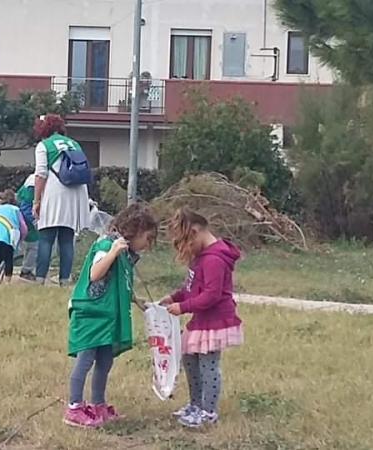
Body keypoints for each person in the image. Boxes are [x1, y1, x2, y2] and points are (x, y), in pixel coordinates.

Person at [64, 203, 159, 428]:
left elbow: (119, 282)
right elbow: (96, 274)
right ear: (133, 231)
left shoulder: (126, 254)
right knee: (85, 359)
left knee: (105, 361)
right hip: (91, 314)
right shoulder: (106, 245)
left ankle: (98, 404)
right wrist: (113, 252)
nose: (148, 244)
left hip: (107, 316)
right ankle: (74, 407)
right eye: (147, 237)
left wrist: (135, 300)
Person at [160, 207, 244, 428]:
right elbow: (192, 287)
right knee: (190, 361)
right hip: (200, 320)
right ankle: (195, 404)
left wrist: (183, 306)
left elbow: (211, 295)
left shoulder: (214, 260)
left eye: (186, 242)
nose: (186, 249)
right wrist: (173, 297)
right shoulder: (201, 258)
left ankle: (208, 411)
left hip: (214, 321)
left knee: (208, 366)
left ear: (196, 232)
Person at [33, 114, 90, 287]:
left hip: (54, 192)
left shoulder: (44, 145)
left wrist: (37, 201)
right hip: (76, 193)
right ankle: (65, 279)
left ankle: (40, 278)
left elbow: (41, 173)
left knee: (46, 238)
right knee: (67, 239)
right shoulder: (74, 143)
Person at [0, 190, 28, 283]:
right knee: (8, 258)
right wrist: (22, 237)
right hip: (8, 235)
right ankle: (7, 280)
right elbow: (23, 226)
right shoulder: (15, 210)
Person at [16, 174, 39, 281]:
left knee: (30, 247)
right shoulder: (33, 186)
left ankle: (27, 268)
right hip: (29, 221)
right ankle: (27, 270)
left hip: (23, 219)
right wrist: (35, 222)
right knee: (34, 246)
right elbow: (26, 206)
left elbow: (19, 198)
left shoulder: (30, 180)